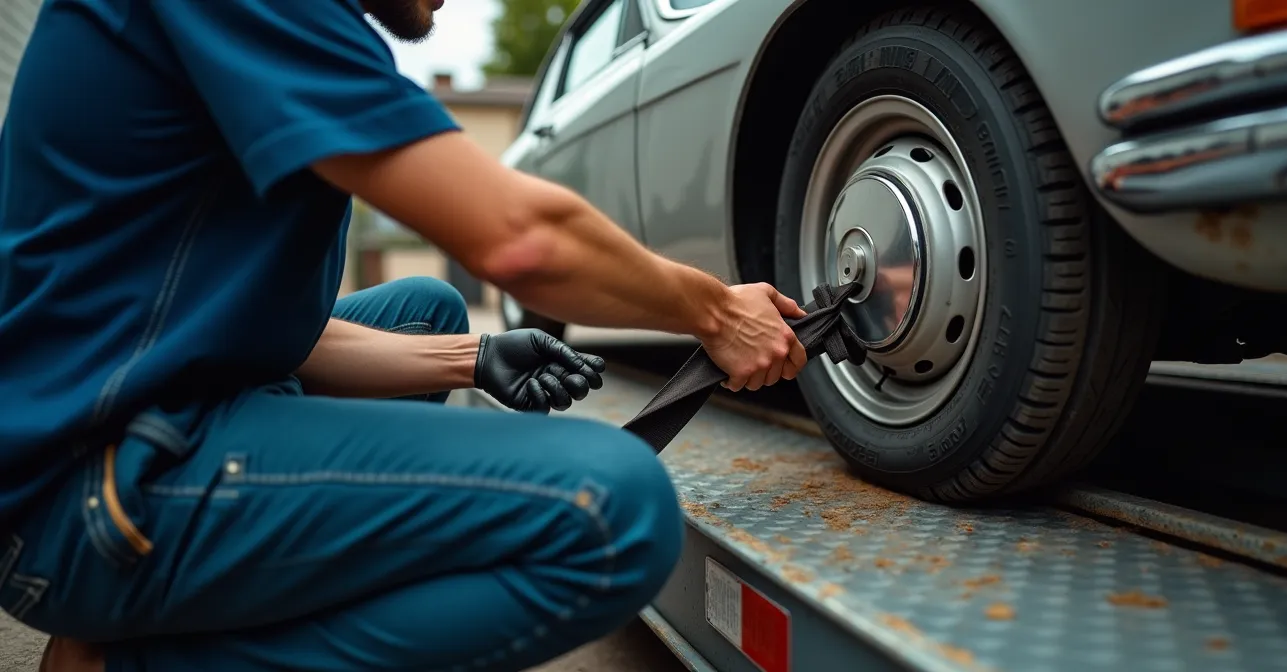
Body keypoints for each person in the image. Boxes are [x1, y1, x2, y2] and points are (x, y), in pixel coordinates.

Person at [0, 0, 810, 670]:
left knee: (429, 307)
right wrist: (713, 310)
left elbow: (269, 337)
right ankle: (128, 660)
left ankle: (214, 588)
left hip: (142, 396)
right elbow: (519, 239)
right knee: (616, 507)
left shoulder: (295, 28)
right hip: (84, 485)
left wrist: (476, 358)